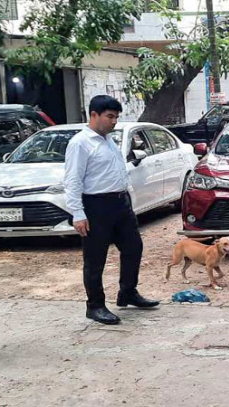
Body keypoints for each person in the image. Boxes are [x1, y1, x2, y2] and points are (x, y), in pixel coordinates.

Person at [64, 95, 159, 325]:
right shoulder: (80, 143)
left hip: (120, 203)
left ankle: (128, 291)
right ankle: (95, 305)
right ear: (94, 115)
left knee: (133, 246)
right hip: (96, 205)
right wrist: (78, 213)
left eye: (116, 117)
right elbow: (73, 180)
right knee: (96, 258)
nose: (114, 121)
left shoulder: (107, 140)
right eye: (109, 116)